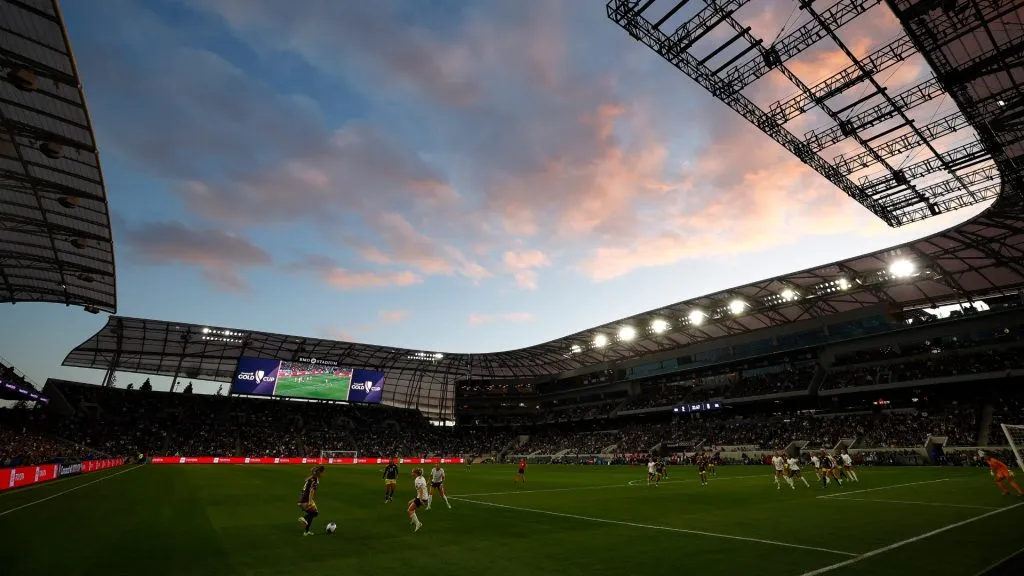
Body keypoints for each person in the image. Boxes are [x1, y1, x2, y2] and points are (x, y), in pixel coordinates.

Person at [297, 465, 325, 536]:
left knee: (313, 513)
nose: (323, 474)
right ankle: (303, 518)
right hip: (305, 499)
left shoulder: (311, 477)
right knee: (314, 513)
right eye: (323, 472)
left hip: (301, 498)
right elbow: (311, 491)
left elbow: (305, 480)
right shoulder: (315, 480)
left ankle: (306, 532)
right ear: (320, 472)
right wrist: (310, 501)